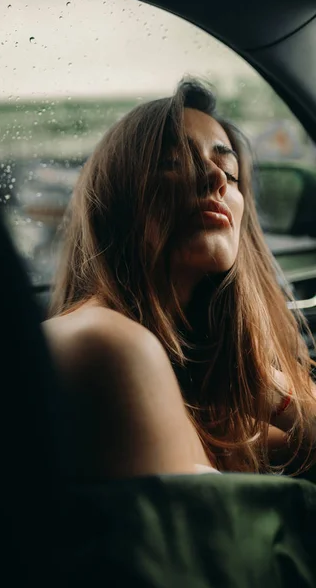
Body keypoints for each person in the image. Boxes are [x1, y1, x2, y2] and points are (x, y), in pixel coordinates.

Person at [42, 78, 316, 479]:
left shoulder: (196, 383)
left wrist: (265, 386)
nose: (216, 180)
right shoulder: (104, 344)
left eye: (228, 169)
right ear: (118, 196)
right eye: (174, 162)